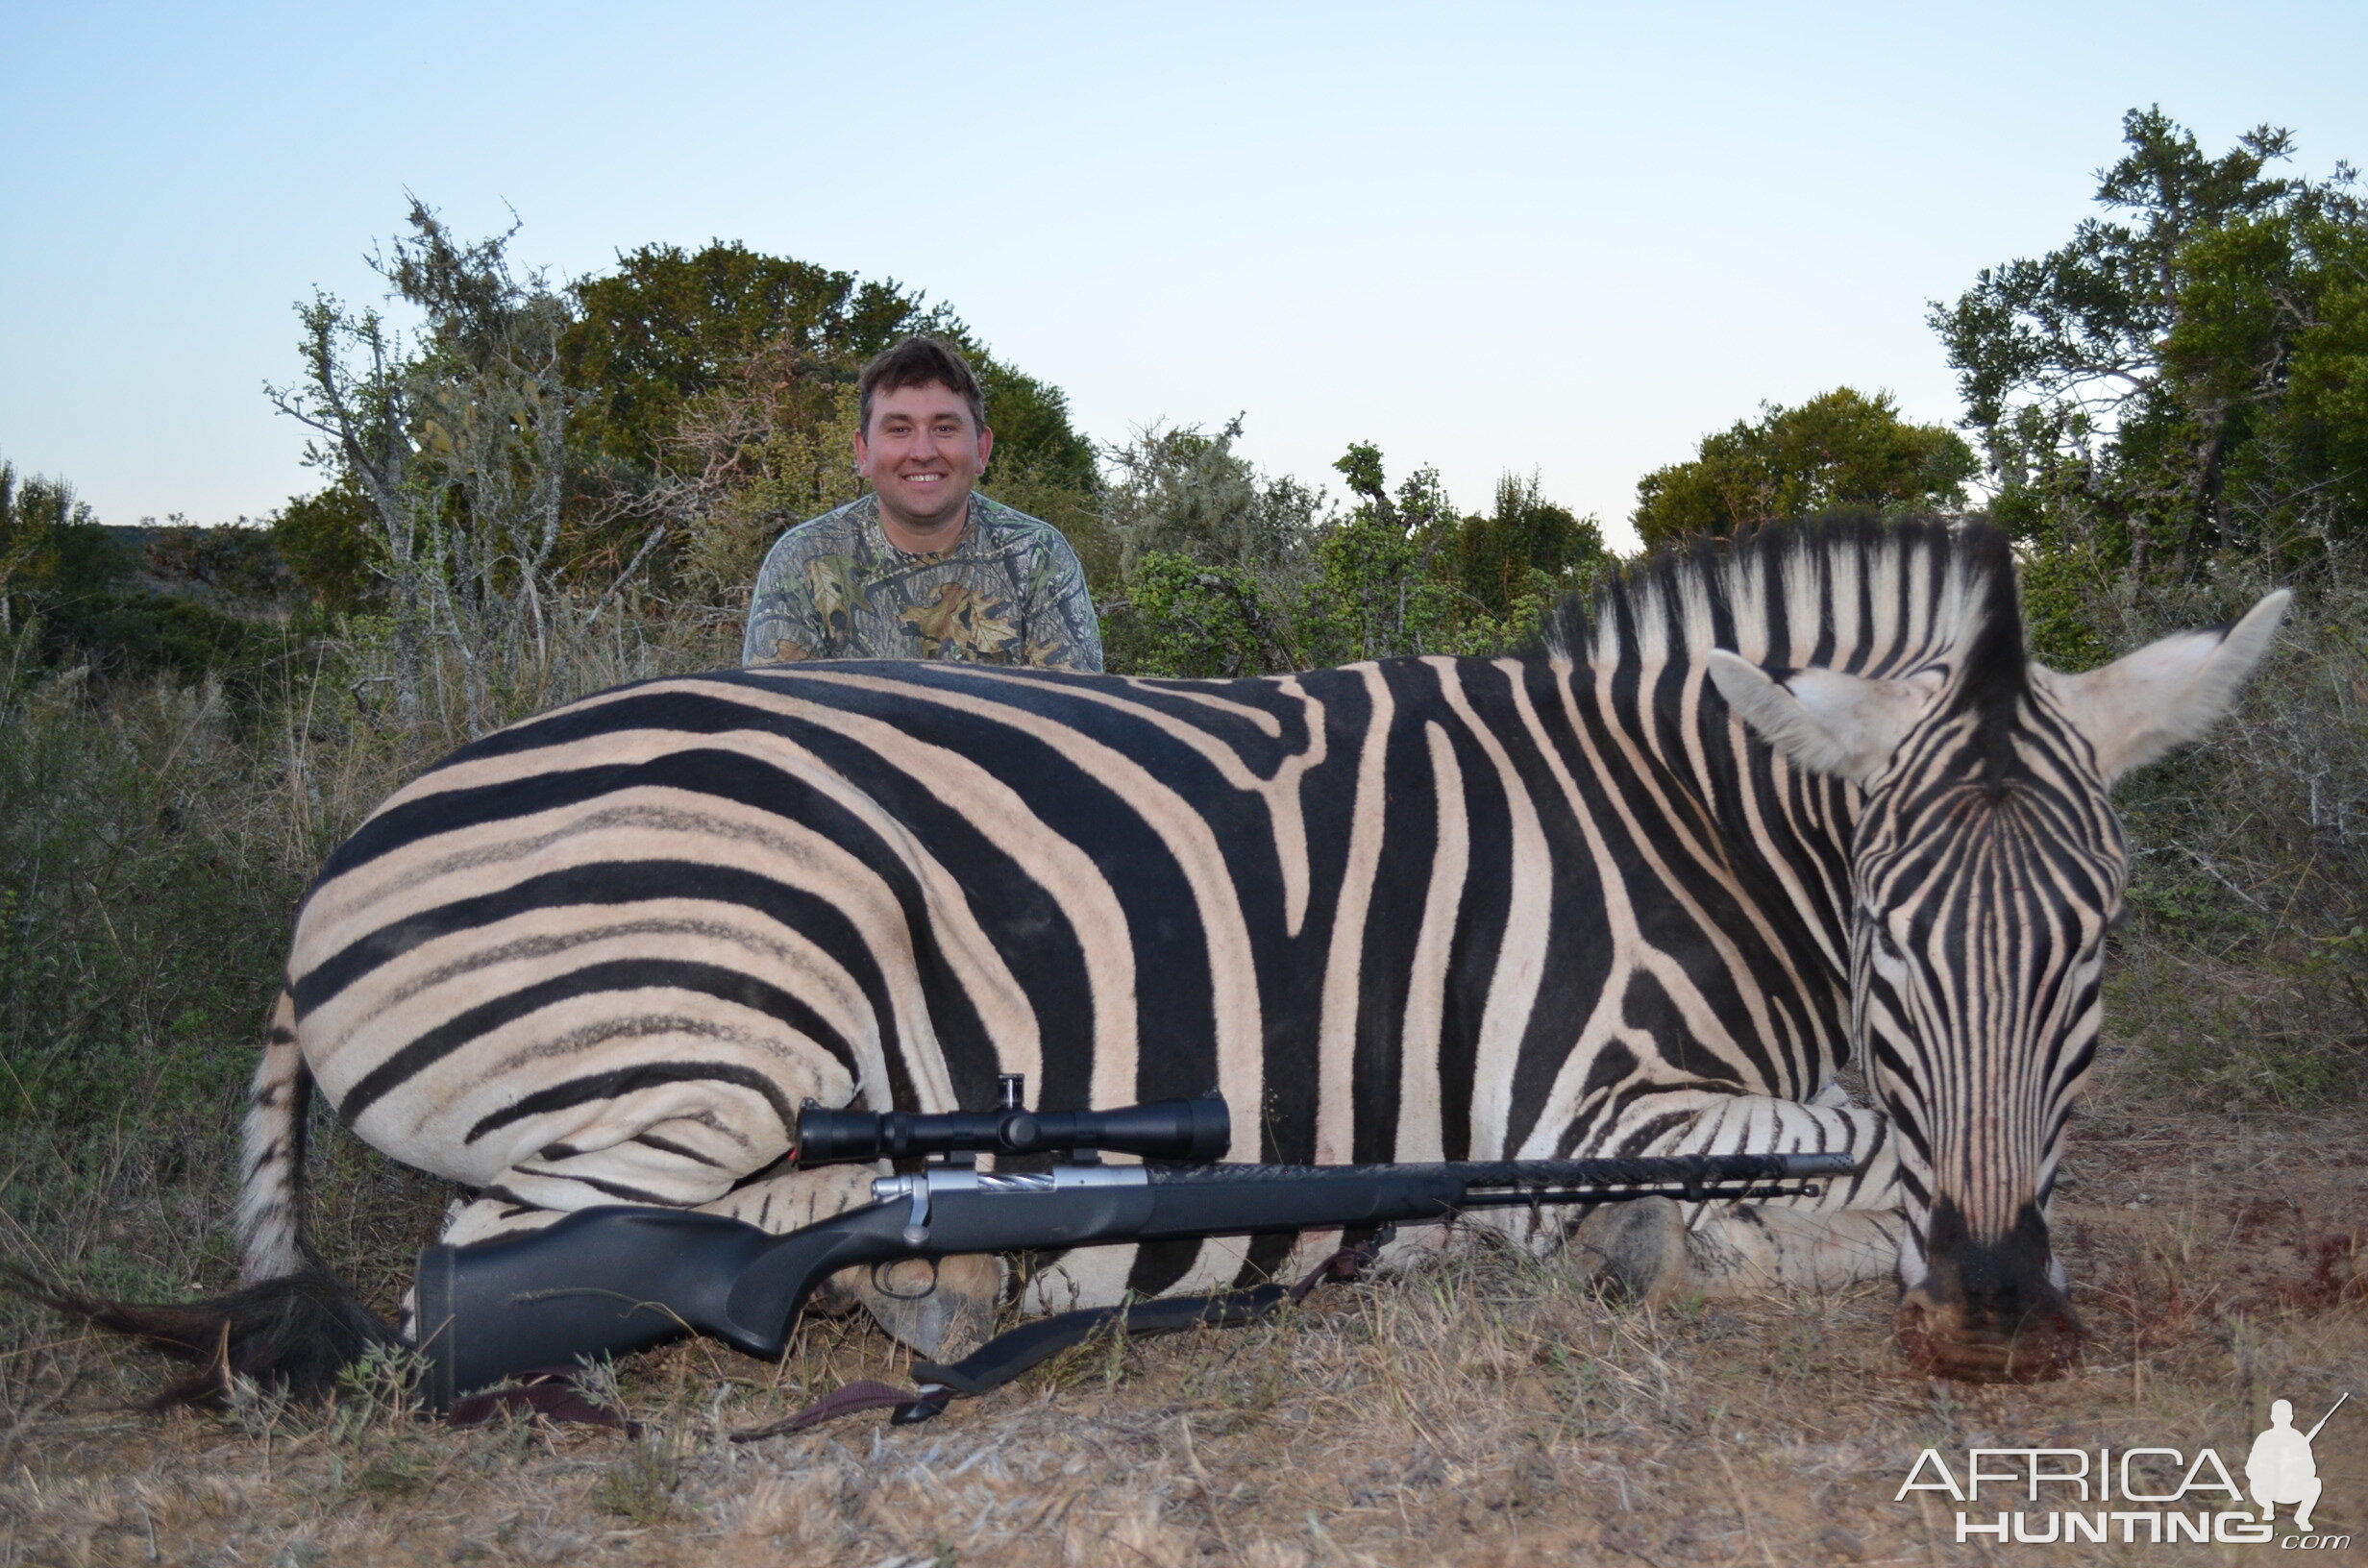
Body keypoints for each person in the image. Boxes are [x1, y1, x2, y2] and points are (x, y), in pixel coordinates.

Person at [742, 336, 1103, 671]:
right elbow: (776, 722)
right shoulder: (801, 558)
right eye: (899, 429)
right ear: (863, 452)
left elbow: (1073, 719)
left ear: (981, 449)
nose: (923, 452)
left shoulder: (1038, 555)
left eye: (945, 428)